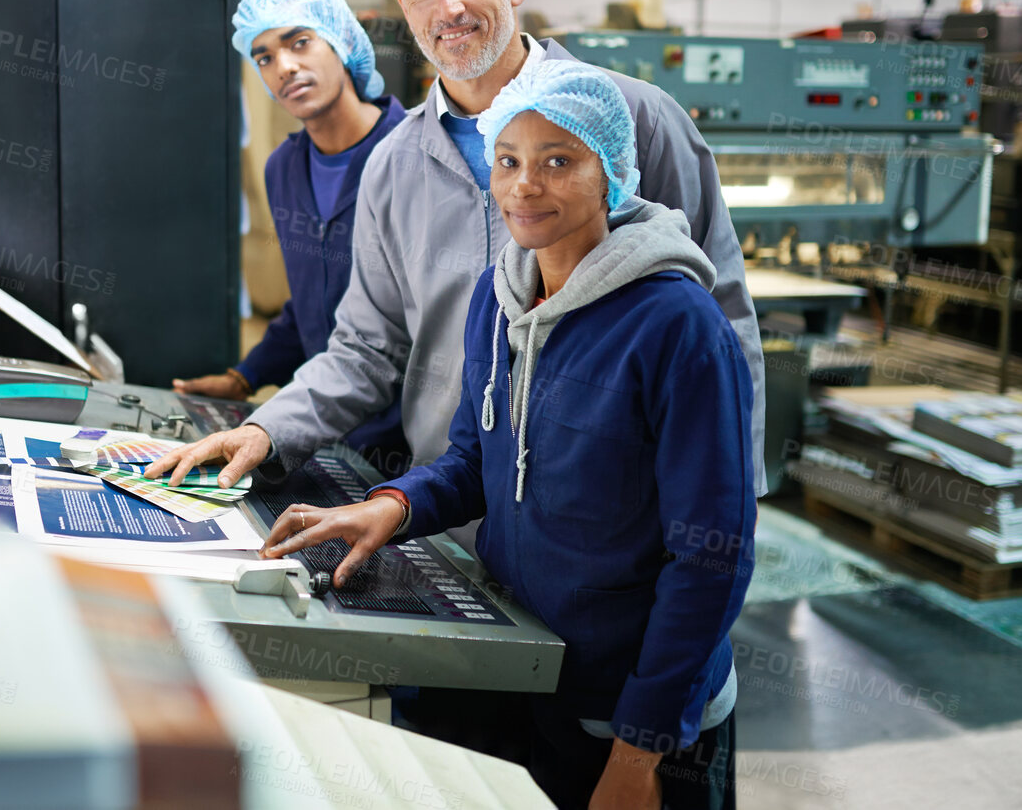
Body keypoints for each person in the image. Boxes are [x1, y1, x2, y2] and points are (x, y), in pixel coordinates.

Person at [149, 0, 763, 500]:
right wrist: (267, 429)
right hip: (447, 517)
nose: (448, 8)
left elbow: (722, 325)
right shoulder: (393, 166)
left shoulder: (638, 121)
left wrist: (718, 518)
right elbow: (367, 348)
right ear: (401, 4)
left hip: (611, 529)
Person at [261, 60, 756, 810]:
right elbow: (471, 460)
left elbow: (710, 558)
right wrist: (391, 507)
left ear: (612, 174)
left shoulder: (676, 327)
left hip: (639, 711)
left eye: (559, 161)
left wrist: (640, 750)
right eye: (508, 160)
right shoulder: (504, 298)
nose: (526, 185)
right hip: (530, 669)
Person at [170, 0, 410, 473]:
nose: (284, 66)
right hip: (321, 430)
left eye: (299, 42)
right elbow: (311, 304)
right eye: (265, 57)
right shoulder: (285, 168)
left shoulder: (413, 155)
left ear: (342, 40)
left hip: (408, 446)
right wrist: (245, 376)